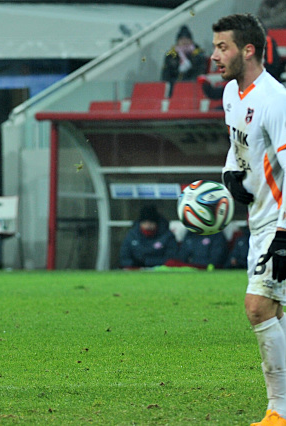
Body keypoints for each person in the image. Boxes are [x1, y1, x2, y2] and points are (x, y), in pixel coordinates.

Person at [213, 13, 286, 425]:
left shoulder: (275, 100)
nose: (214, 55)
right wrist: (229, 172)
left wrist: (284, 233)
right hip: (259, 222)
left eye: (222, 47)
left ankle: (279, 412)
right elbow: (237, 145)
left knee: (258, 307)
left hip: (280, 223)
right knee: (273, 312)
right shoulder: (231, 93)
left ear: (248, 50)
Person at [161, 25, 208, 89]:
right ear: (177, 41)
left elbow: (199, 73)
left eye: (187, 39)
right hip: (173, 89)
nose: (184, 41)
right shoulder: (170, 56)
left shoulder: (198, 55)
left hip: (192, 89)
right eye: (182, 39)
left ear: (191, 41)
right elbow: (165, 76)